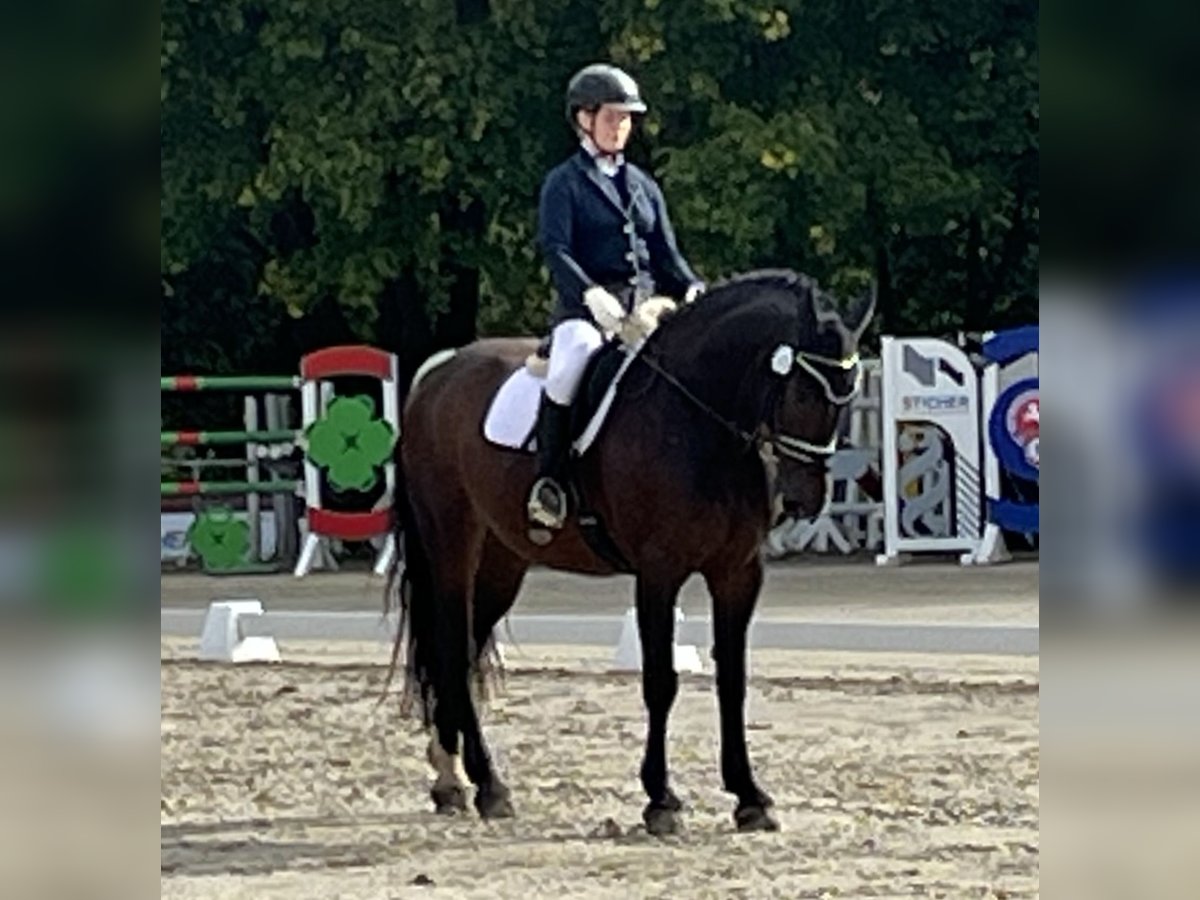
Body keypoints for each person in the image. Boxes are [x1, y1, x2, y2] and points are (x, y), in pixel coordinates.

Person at [527, 62, 705, 534]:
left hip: (645, 307)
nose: (621, 126)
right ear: (584, 119)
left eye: (626, 118)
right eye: (612, 117)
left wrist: (691, 288)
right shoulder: (563, 183)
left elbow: (667, 252)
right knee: (574, 359)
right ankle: (549, 479)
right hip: (587, 308)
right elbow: (556, 249)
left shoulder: (644, 185)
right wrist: (589, 295)